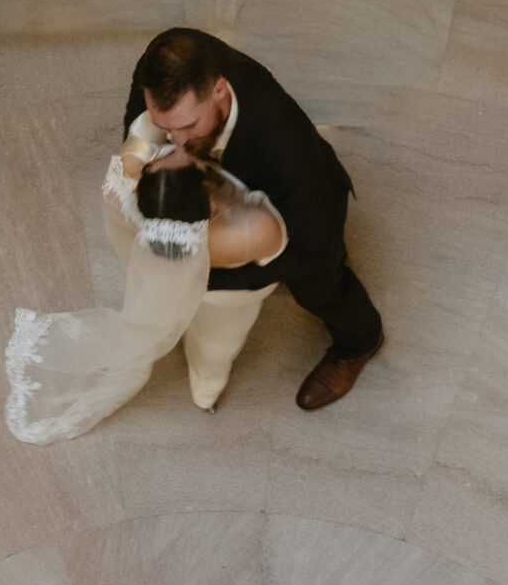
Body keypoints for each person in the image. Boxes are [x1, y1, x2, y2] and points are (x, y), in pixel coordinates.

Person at [121, 27, 383, 412]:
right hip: (223, 189)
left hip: (306, 214)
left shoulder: (288, 151)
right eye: (167, 128)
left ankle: (359, 342)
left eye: (188, 127)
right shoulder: (167, 59)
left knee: (319, 285)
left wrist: (207, 274)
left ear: (219, 91)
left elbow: (312, 249)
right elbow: (138, 109)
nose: (175, 144)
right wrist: (141, 152)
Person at [5, 155, 287, 443]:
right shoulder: (247, 232)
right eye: (180, 159)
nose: (177, 149)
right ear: (208, 201)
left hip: (160, 283)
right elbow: (277, 244)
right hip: (224, 301)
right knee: (214, 349)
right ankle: (206, 395)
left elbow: (131, 156)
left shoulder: (125, 193)